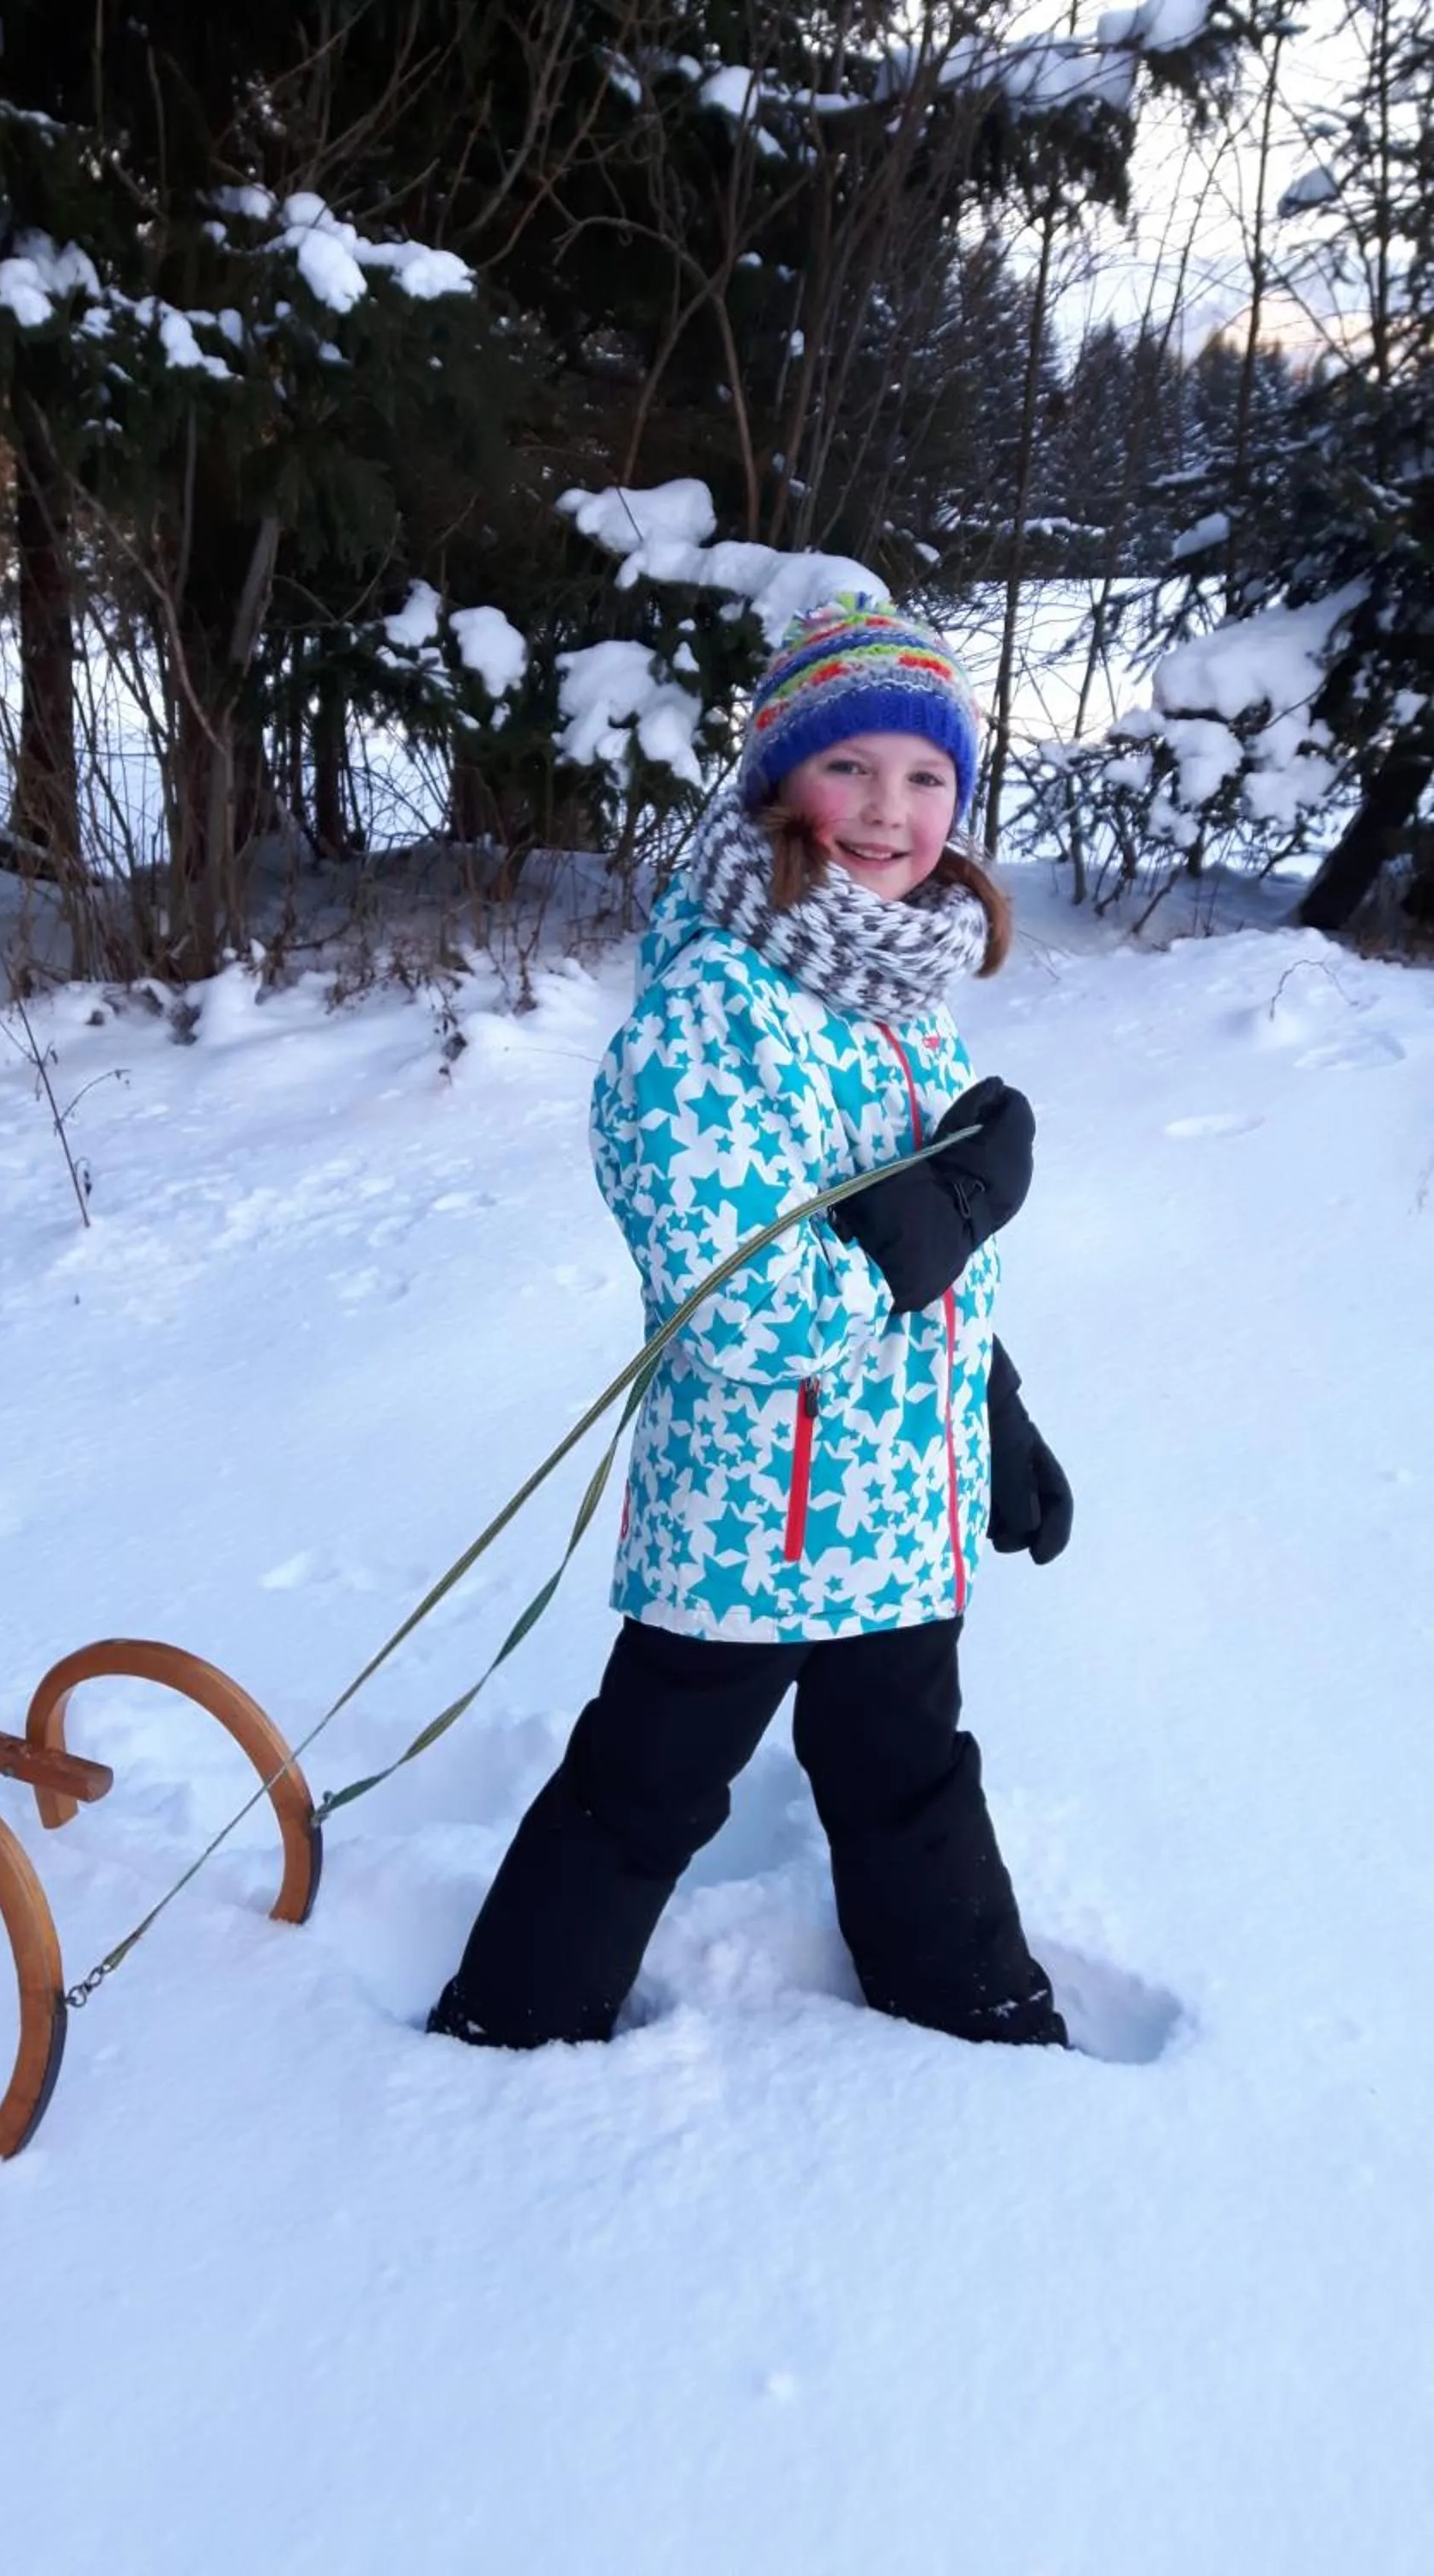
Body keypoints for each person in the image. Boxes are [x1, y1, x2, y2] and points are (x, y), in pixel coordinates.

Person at [429, 595, 1072, 2054]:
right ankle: (508, 2035)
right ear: (782, 780)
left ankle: (978, 2020)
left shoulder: (906, 993)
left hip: (900, 1507)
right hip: (754, 1527)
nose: (888, 812)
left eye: (928, 778)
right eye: (851, 767)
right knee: (646, 1788)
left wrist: (996, 1408)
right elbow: (749, 1313)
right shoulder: (708, 1013)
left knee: (910, 1773)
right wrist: (953, 1206)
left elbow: (933, 1280)